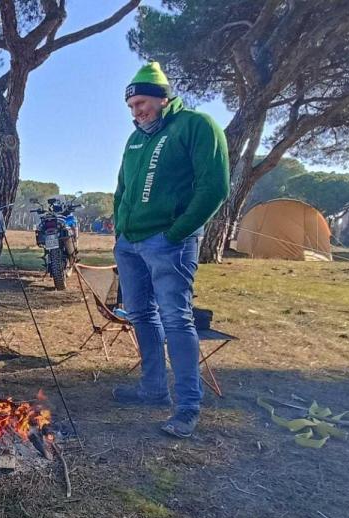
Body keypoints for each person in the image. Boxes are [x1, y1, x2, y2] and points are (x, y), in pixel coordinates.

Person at [111, 61, 230, 438]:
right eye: (131, 106)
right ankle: (152, 390)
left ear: (163, 99)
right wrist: (119, 229)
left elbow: (214, 187)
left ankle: (188, 406)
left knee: (176, 319)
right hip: (130, 243)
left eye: (142, 103)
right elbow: (122, 188)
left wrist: (178, 232)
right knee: (140, 314)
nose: (136, 111)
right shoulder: (135, 140)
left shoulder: (196, 125)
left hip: (169, 242)